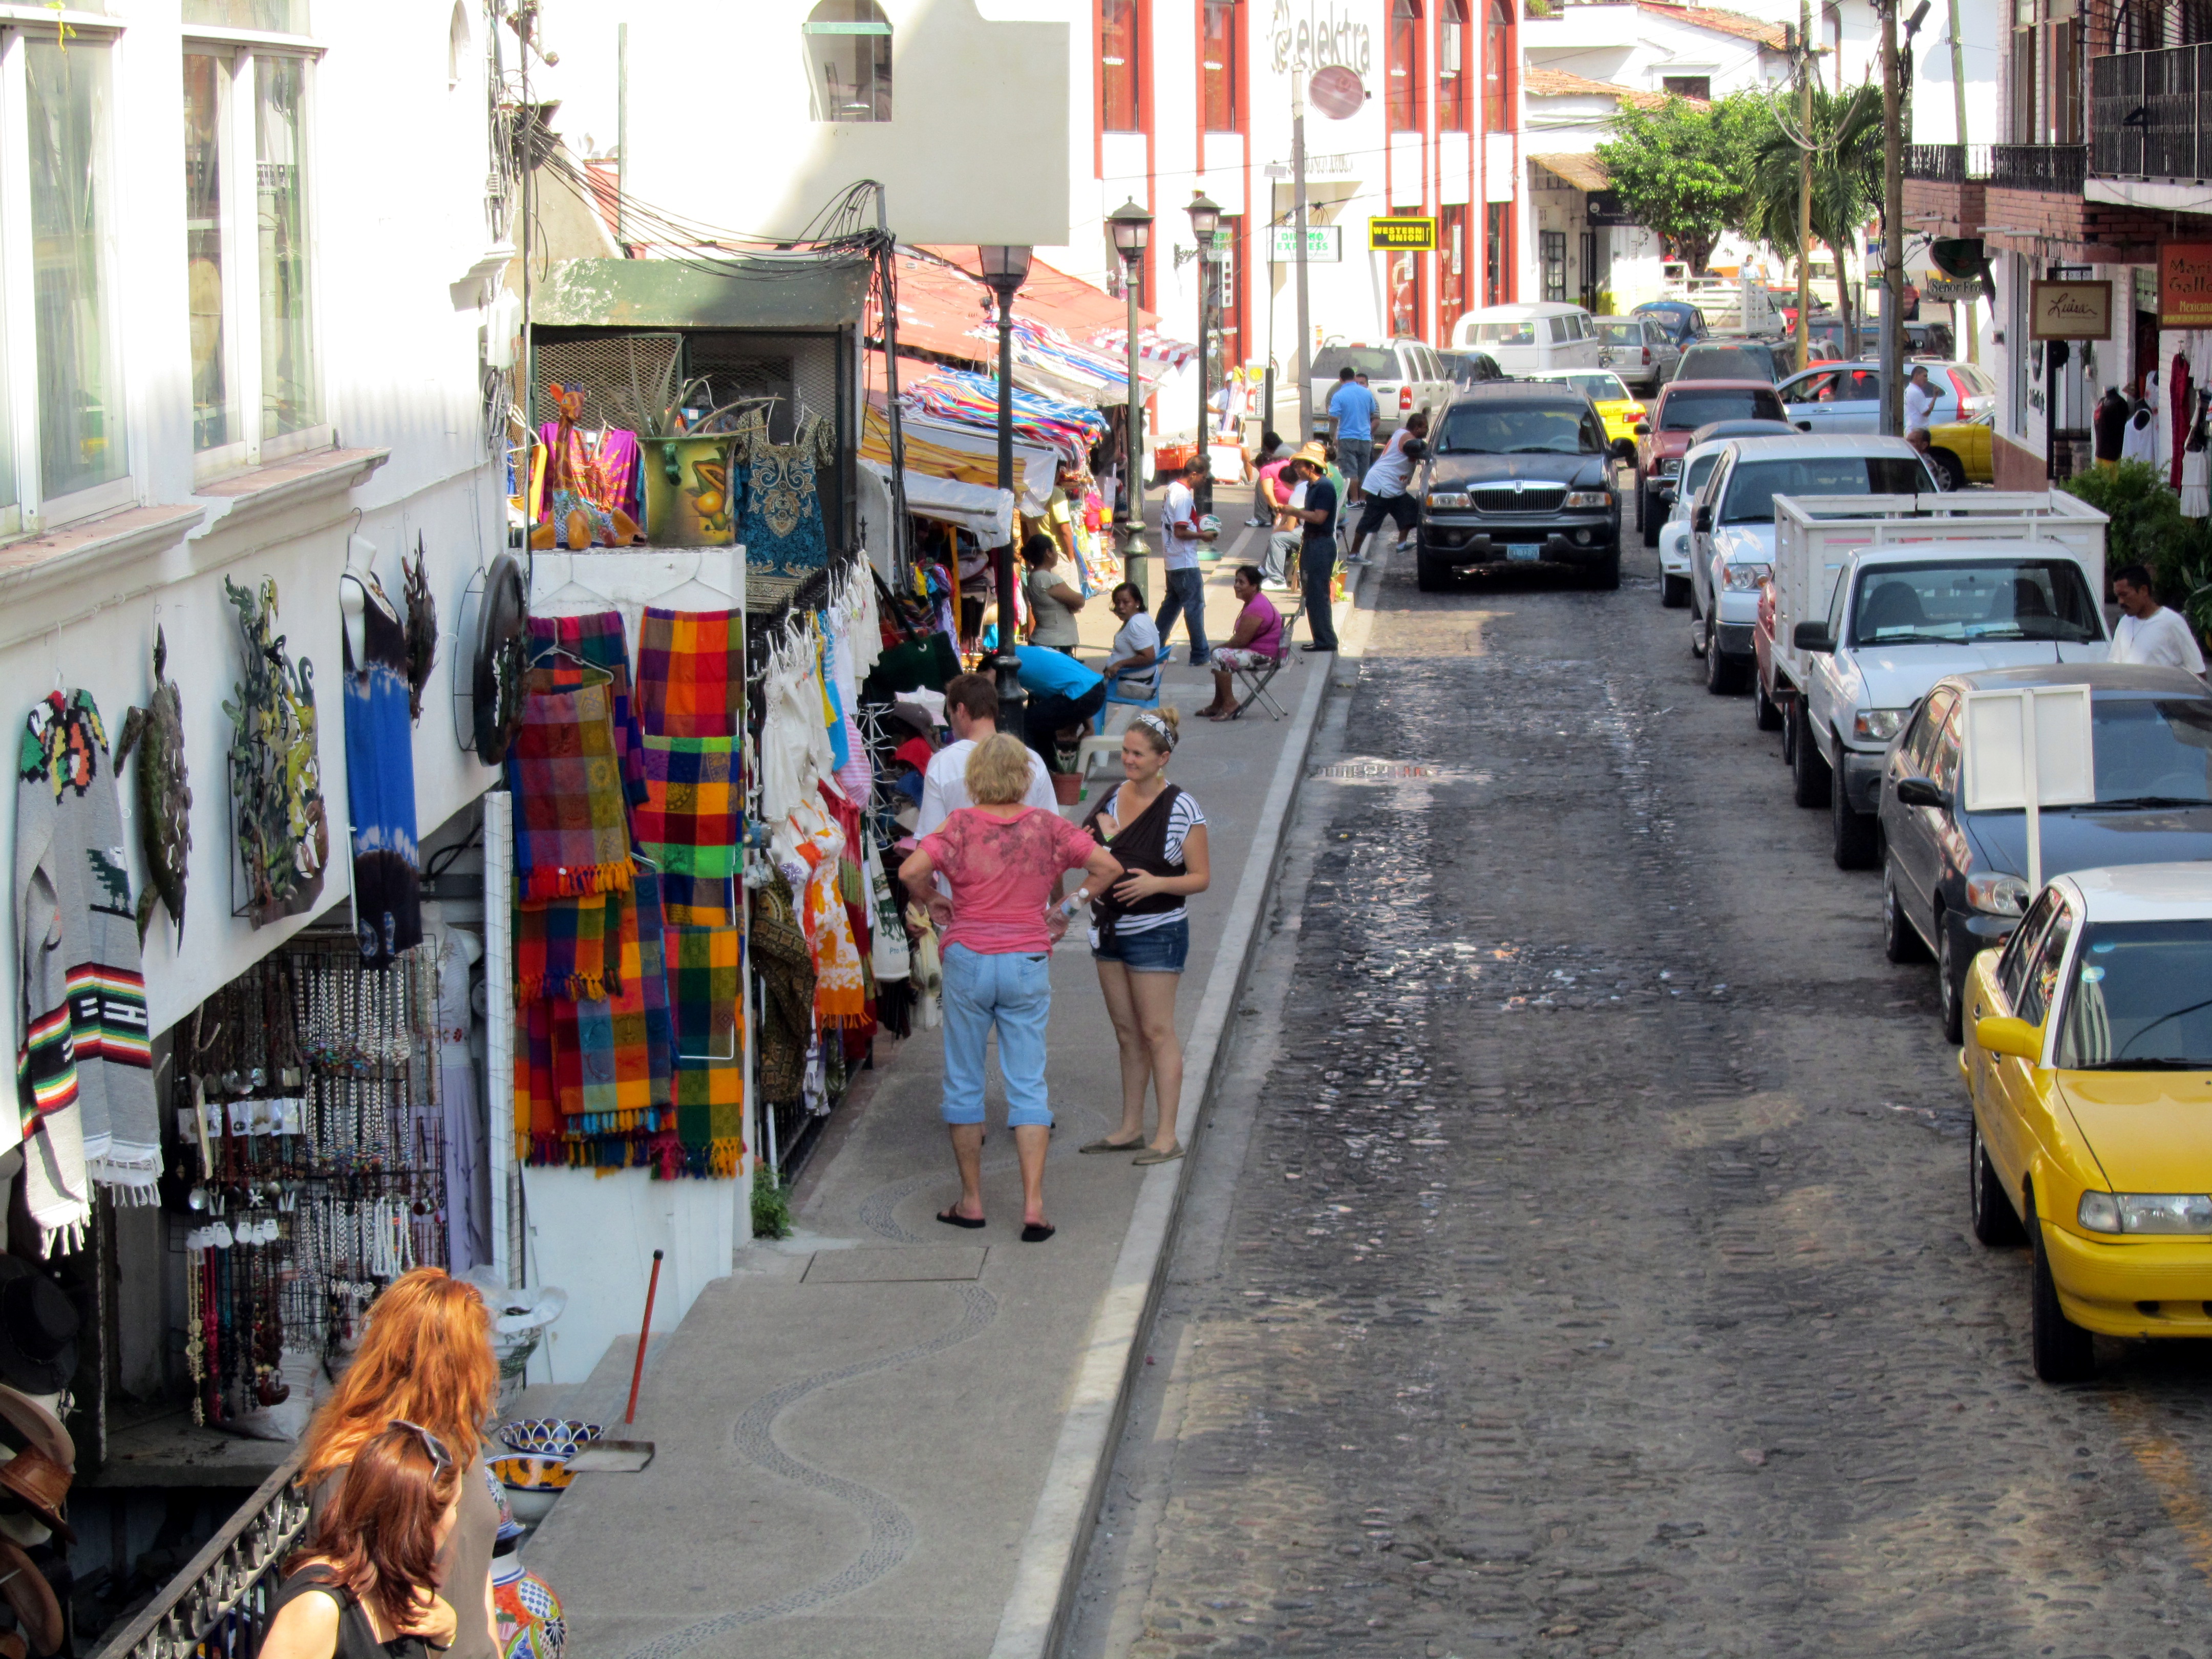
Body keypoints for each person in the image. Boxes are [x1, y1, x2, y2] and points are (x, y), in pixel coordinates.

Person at [899, 735, 1123, 1241]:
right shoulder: (1048, 826)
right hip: (1026, 959)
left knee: (964, 1079)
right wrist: (1066, 908)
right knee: (1028, 1082)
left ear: (976, 777)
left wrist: (932, 897)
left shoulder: (959, 825)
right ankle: (1034, 1207)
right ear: (1024, 776)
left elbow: (911, 869)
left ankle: (972, 1201)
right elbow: (1107, 867)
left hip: (969, 958)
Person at [297, 1269, 500, 1659]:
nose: (488, 1362)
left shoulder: (460, 1441)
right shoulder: (358, 1466)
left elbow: (479, 1569)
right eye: (478, 1347)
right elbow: (344, 1606)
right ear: (450, 1361)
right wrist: (445, 1627)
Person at [1079, 710, 1210, 1164]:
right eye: (1125, 752)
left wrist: (1156, 884)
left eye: (1137, 754)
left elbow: (1201, 877)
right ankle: (1130, 1128)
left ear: (1162, 758)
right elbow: (1091, 846)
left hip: (1157, 931)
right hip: (1109, 927)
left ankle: (1167, 1136)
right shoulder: (1114, 795)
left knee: (1157, 1031)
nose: (1128, 760)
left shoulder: (1182, 808)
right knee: (1127, 1032)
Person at [264, 1424, 463, 1659]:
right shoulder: (317, 1607)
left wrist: (444, 1635)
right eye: (456, 1505)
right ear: (421, 1524)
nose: (456, 1518)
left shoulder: (391, 1585)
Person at [918, 673, 1055, 837]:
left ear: (960, 710)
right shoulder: (1032, 760)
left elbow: (930, 837)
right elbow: (1051, 827)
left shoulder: (942, 763)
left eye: (950, 713)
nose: (951, 721)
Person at [1198, 566, 1286, 719]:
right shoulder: (1254, 602)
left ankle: (1230, 703)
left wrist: (1216, 649)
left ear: (1254, 586)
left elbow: (1240, 641)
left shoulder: (1257, 607)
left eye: (1241, 582)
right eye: (1236, 581)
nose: (1236, 586)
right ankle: (1218, 704)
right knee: (1220, 655)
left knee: (1219, 655)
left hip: (1266, 657)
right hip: (1263, 653)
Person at [1156, 455, 1217, 667]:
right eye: (1203, 477)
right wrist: (1203, 536)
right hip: (1184, 561)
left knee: (1171, 606)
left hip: (1173, 558)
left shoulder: (1172, 489)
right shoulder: (1182, 496)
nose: (1204, 481)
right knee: (1194, 607)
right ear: (1194, 474)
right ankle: (1200, 653)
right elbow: (1180, 531)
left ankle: (1156, 648)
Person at [1013, 643, 1108, 772]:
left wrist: (1089, 728)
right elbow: (1084, 685)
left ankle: (1032, 770)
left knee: (1024, 724)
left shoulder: (1004, 660)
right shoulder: (1027, 653)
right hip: (1095, 689)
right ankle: (1050, 770)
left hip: (1082, 693)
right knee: (1040, 724)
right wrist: (1089, 727)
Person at [1348, 412, 1429, 562]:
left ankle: (1402, 544)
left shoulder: (1402, 433)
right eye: (1425, 427)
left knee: (1412, 510)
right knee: (1369, 521)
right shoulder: (1408, 439)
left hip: (1395, 489)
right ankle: (1353, 554)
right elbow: (1416, 448)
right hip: (1382, 486)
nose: (1427, 431)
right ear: (1417, 428)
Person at [1286, 441, 1341, 652]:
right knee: (1312, 593)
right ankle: (1321, 638)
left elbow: (1319, 518)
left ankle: (1325, 640)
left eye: (1299, 465)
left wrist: (1294, 512)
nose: (1296, 468)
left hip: (1321, 544)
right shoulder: (1312, 486)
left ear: (1311, 467)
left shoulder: (1324, 487)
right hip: (1312, 542)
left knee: (1318, 594)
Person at [2111, 563, 2207, 674]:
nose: (2120, 602)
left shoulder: (2172, 622)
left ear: (2144, 590)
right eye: (2118, 596)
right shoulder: (2124, 623)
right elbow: (2114, 667)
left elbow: (2198, 672)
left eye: (2124, 595)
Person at [1261, 453, 1318, 589]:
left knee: (1277, 539)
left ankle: (1277, 579)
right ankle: (1266, 568)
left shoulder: (1297, 494)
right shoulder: (1306, 486)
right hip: (1313, 528)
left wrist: (1276, 531)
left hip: (1309, 531)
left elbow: (1289, 527)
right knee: (1278, 535)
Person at [1020, 531, 1083, 651]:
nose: (1057, 554)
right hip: (1056, 641)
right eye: (1054, 550)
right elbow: (1079, 601)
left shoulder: (1034, 576)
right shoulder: (1048, 579)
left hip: (1044, 638)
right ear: (1048, 553)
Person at [1103, 582, 1162, 701]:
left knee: (1083, 691)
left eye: (1126, 602)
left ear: (1137, 603)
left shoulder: (1136, 624)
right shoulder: (1142, 617)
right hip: (1140, 681)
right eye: (1117, 603)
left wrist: (1119, 664)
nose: (1120, 607)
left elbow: (1149, 657)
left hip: (1136, 687)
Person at [1328, 367, 1378, 504]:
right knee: (1364, 471)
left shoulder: (1339, 395)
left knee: (1350, 472)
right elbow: (1372, 410)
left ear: (1341, 379)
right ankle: (1363, 499)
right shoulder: (1367, 393)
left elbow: (1334, 416)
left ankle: (1355, 500)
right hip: (1365, 438)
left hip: (1347, 437)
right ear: (1354, 377)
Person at [1246, 430, 1291, 527]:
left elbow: (1268, 493)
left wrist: (1277, 511)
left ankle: (1261, 517)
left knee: (1261, 484)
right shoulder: (1283, 451)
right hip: (1290, 483)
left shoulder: (1275, 457)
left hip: (1287, 486)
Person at [1903, 364, 1938, 437]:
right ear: (1916, 376)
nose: (1927, 379)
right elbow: (1926, 412)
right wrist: (1935, 397)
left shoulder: (1910, 389)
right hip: (1917, 432)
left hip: (1913, 429)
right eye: (1925, 376)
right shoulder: (1915, 392)